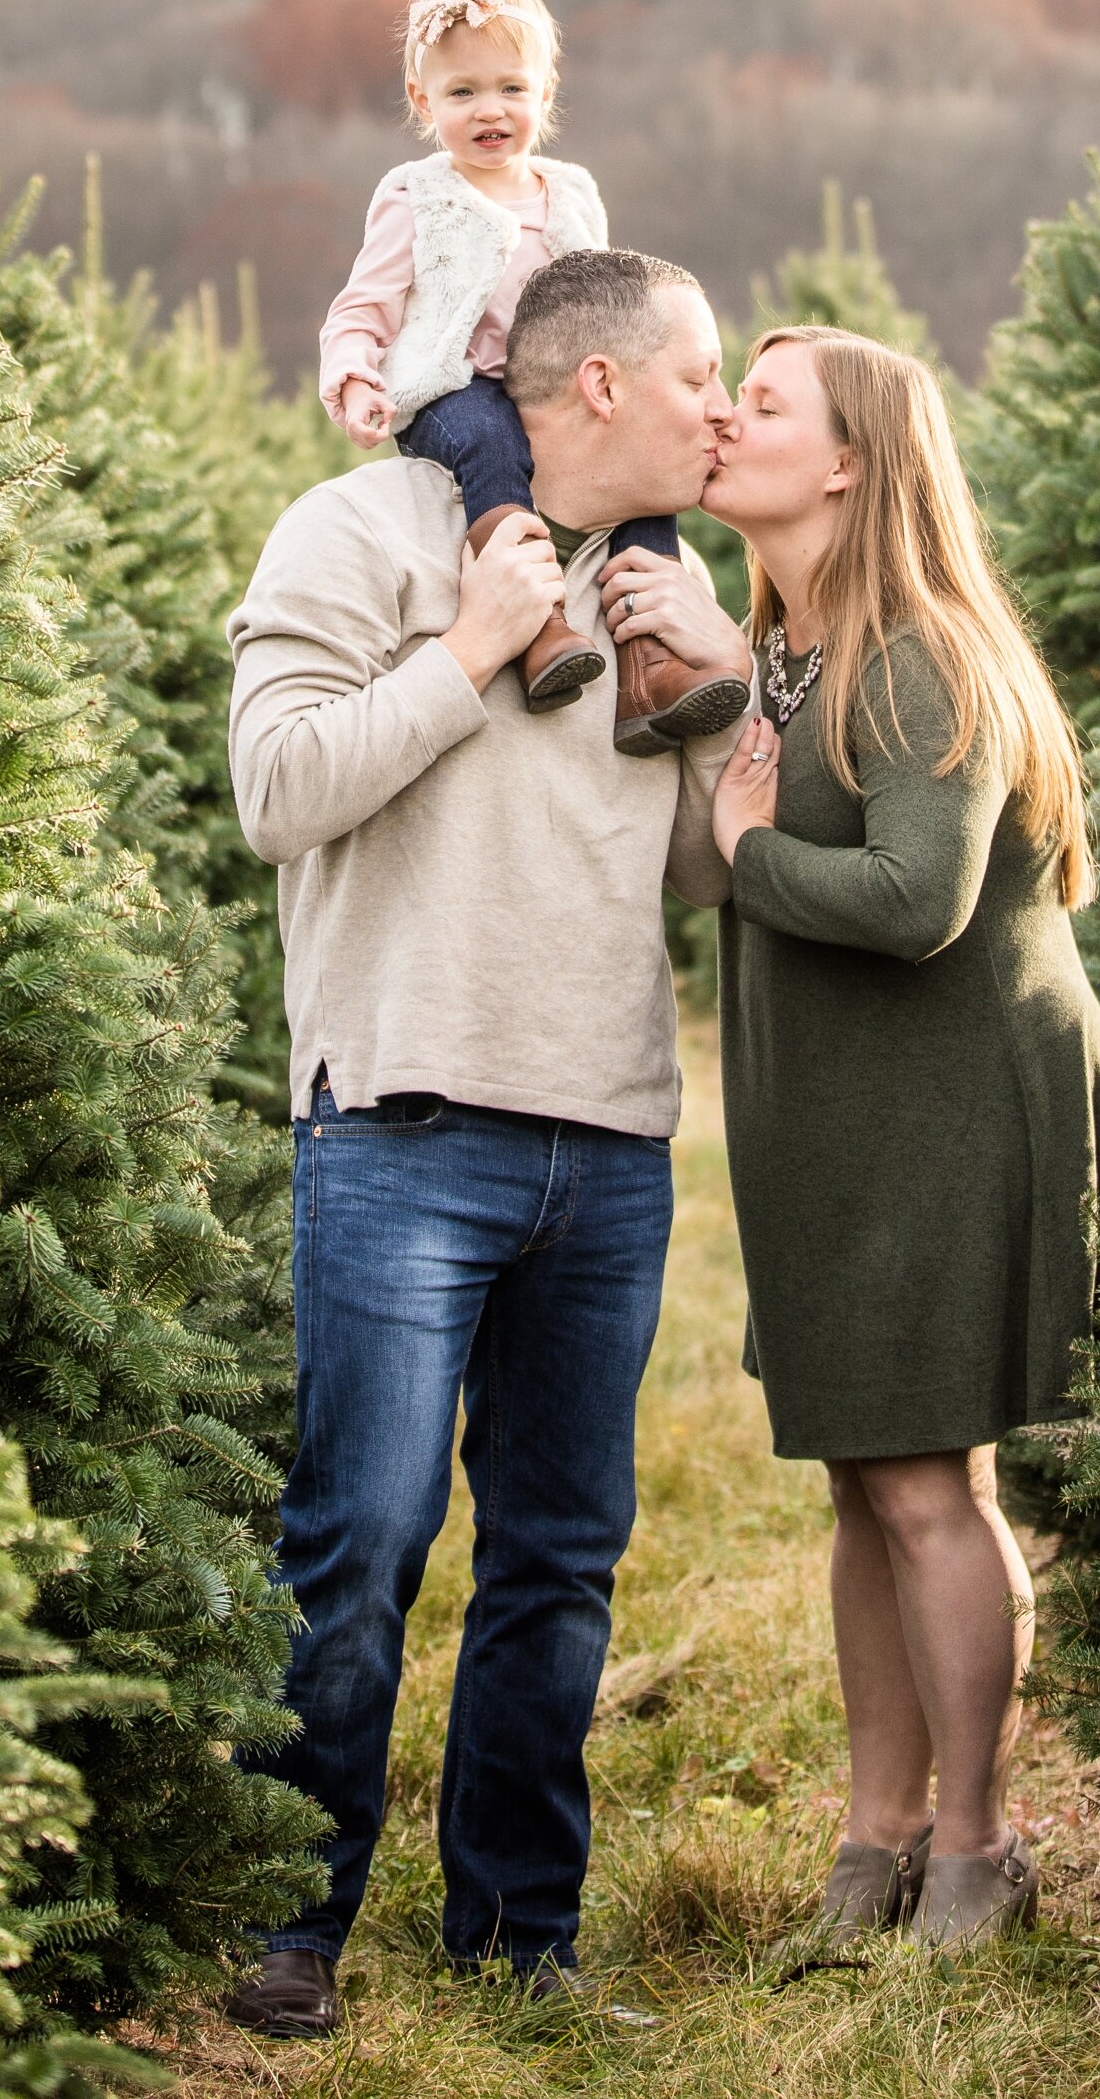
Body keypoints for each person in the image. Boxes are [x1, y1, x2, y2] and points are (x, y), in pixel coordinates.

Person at [220, 247, 752, 2036]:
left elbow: (692, 873)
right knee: (359, 1540)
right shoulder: (362, 531)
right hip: (398, 1120)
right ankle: (292, 1912)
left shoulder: (658, 582)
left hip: (603, 1139)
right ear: (598, 387)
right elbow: (280, 793)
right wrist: (463, 647)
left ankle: (520, 1933)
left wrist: (730, 704)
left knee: (559, 1553)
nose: (722, 410)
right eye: (699, 377)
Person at [676, 325, 1100, 1956]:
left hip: (945, 1100)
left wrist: (741, 843)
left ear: (851, 462)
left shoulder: (918, 648)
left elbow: (919, 901)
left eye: (766, 406)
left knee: (932, 1482)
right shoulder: (780, 649)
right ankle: (873, 1842)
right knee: (864, 1481)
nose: (726, 418)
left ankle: (977, 1853)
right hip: (837, 1117)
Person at [318, 0, 747, 751]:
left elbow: (613, 306)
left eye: (512, 89)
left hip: (556, 387)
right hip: (458, 390)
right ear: (423, 102)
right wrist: (356, 378)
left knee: (641, 471)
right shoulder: (417, 197)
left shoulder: (571, 192)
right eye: (462, 93)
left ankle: (650, 663)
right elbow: (363, 307)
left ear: (546, 94)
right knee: (493, 442)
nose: (491, 111)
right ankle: (540, 623)